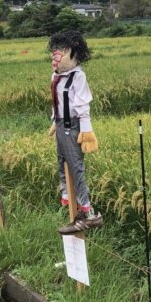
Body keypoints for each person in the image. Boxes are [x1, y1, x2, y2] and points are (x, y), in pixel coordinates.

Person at [48, 31, 103, 235]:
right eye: (56, 49)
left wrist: (87, 131)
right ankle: (68, 197)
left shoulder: (78, 76)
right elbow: (58, 102)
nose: (57, 55)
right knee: (61, 162)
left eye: (63, 50)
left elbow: (82, 105)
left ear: (74, 54)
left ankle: (87, 212)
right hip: (62, 125)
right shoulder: (56, 76)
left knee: (76, 166)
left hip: (74, 127)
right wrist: (55, 121)